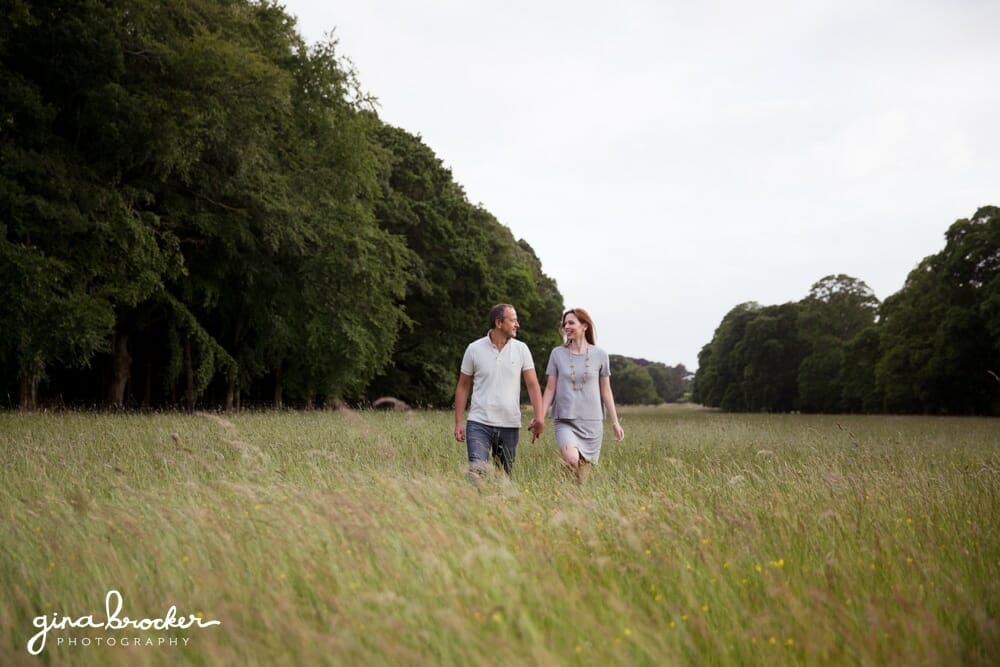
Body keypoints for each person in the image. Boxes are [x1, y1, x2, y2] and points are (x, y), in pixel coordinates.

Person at [454, 304, 545, 478]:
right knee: (477, 472)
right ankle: (473, 504)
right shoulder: (474, 349)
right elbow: (463, 385)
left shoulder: (522, 350)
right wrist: (458, 422)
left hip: (509, 425)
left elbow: (533, 385)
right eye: (513, 320)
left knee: (503, 479)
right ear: (498, 323)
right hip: (479, 423)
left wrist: (540, 417)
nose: (517, 324)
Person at [539, 308, 624, 482]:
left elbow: (606, 390)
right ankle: (567, 489)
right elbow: (549, 389)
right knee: (571, 459)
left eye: (571, 323)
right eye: (565, 324)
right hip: (565, 419)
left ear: (584, 326)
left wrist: (615, 423)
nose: (566, 327)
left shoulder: (600, 355)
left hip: (592, 422)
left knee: (582, 477)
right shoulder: (557, 354)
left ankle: (570, 498)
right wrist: (539, 416)